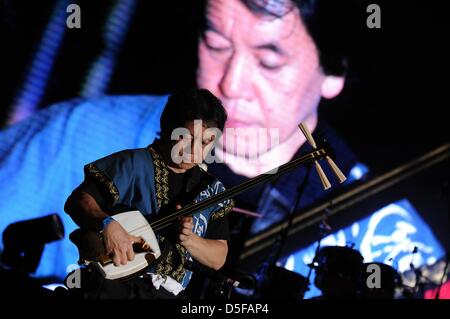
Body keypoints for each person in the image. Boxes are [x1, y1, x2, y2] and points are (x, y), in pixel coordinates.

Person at [0, 0, 366, 279]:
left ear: (334, 73)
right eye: (216, 43)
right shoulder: (76, 133)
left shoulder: (373, 223)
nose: (231, 84)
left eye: (269, 62)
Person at [64, 88, 233, 298]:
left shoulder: (212, 189)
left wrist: (189, 239)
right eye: (187, 137)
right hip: (118, 283)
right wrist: (107, 225)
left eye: (206, 142)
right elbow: (78, 201)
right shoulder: (133, 163)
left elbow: (218, 258)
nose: (194, 149)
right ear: (169, 129)